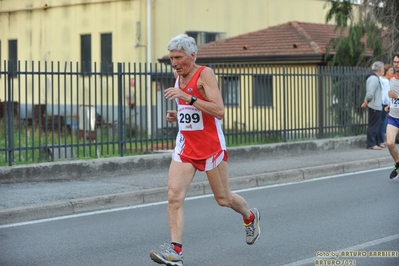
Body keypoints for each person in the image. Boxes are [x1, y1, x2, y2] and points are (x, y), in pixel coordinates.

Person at [149, 34, 261, 266]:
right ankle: (175, 252)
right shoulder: (177, 76)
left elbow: (218, 110)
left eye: (179, 57)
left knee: (224, 199)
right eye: (171, 58)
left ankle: (250, 217)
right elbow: (189, 112)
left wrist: (186, 98)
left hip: (210, 146)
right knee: (173, 196)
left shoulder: (205, 74)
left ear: (192, 55)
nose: (175, 63)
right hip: (186, 145)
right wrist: (177, 115)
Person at [361, 61, 384, 150]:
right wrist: (366, 102)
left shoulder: (374, 78)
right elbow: (370, 93)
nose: (383, 70)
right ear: (378, 69)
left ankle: (376, 142)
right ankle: (371, 144)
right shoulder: (374, 79)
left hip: (376, 105)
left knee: (376, 125)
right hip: (374, 105)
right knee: (373, 125)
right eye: (382, 68)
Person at [384, 54, 399, 179]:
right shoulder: (391, 78)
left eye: (398, 62)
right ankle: (398, 164)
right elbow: (391, 96)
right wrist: (390, 105)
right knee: (390, 143)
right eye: (395, 62)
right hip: (393, 117)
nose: (396, 64)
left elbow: (395, 96)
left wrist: (397, 97)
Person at [378, 64, 393, 148]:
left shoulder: (381, 79)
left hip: (382, 102)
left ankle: (381, 139)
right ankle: (382, 140)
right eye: (390, 70)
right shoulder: (386, 81)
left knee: (382, 122)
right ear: (386, 71)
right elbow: (385, 93)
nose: (392, 71)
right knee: (383, 122)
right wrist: (387, 103)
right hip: (384, 103)